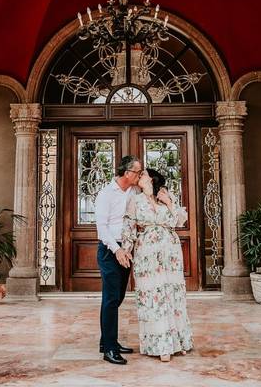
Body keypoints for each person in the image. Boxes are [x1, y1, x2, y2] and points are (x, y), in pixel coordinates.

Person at [121, 167, 194, 362]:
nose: (139, 176)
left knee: (171, 294)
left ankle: (178, 341)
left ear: (152, 179)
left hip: (170, 252)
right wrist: (125, 250)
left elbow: (179, 221)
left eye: (143, 174)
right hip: (147, 253)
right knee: (153, 295)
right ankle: (161, 345)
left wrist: (169, 203)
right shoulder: (134, 200)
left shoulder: (164, 194)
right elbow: (128, 226)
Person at [94, 154, 142, 365]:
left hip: (127, 248)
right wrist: (117, 250)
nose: (140, 175)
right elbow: (101, 227)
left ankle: (107, 341)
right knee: (111, 299)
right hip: (110, 250)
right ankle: (110, 349)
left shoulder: (134, 191)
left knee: (118, 296)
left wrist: (128, 248)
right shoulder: (106, 194)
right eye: (138, 172)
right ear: (127, 173)